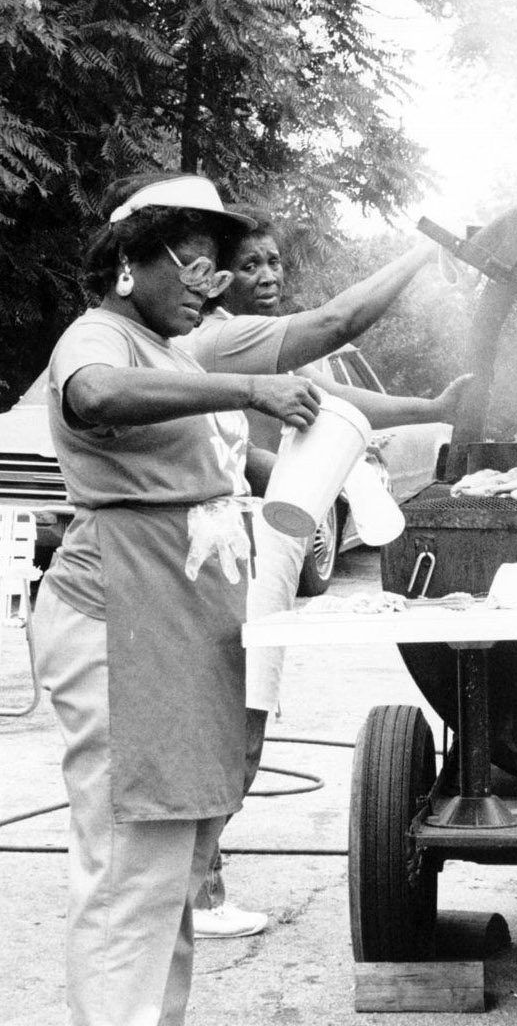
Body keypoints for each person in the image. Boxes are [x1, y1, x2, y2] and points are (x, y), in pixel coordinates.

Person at [33, 171, 324, 1026]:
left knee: (180, 853)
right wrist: (248, 384)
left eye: (215, 265)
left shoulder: (170, 346)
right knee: (129, 858)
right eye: (190, 261)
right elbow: (97, 395)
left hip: (181, 616)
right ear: (127, 264)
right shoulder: (98, 336)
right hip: (118, 615)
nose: (210, 280)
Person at [174, 213, 471, 938]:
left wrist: (424, 410)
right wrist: (422, 253)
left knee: (242, 729)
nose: (269, 276)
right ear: (215, 278)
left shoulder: (245, 350)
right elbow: (342, 319)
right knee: (226, 730)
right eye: (250, 266)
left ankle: (197, 884)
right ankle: (192, 893)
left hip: (246, 558)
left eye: (275, 262)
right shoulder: (217, 336)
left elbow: (336, 406)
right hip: (207, 563)